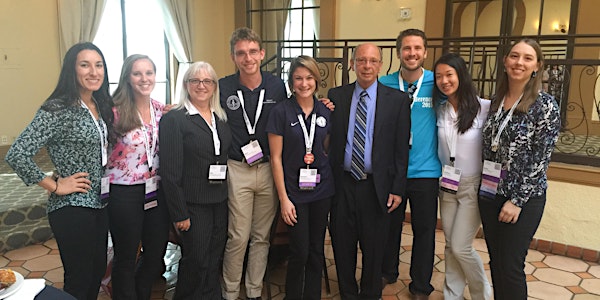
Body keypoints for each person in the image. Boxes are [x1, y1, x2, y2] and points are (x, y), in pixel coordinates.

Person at [5, 42, 113, 300]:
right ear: (71, 70)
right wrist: (55, 185)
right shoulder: (57, 108)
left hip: (100, 203)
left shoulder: (99, 104)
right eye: (84, 65)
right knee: (79, 279)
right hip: (72, 206)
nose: (93, 71)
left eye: (98, 65)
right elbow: (17, 153)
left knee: (97, 271)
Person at [328, 43, 411, 300]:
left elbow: (401, 149)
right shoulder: (336, 96)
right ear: (352, 64)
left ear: (381, 64)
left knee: (375, 249)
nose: (366, 66)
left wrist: (397, 188)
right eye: (361, 60)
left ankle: (369, 294)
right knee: (342, 247)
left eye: (372, 61)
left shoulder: (397, 100)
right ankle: (348, 294)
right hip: (342, 185)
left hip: (376, 187)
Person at [479, 38, 560, 300]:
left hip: (523, 199)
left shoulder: (545, 105)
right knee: (497, 262)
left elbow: (540, 159)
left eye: (527, 58)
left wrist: (516, 200)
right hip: (492, 193)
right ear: (505, 61)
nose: (519, 63)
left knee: (511, 266)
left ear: (537, 66)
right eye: (514, 56)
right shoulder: (496, 101)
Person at [219, 27, 287, 300]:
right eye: (240, 53)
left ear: (261, 53)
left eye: (252, 52)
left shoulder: (277, 86)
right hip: (238, 169)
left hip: (270, 169)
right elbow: (199, 105)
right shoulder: (223, 86)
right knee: (238, 236)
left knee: (261, 236)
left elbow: (294, 112)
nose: (247, 58)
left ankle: (255, 290)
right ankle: (230, 292)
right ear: (233, 57)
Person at [159, 61, 232, 299]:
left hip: (219, 199)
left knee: (213, 257)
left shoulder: (220, 117)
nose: (202, 86)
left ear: (214, 86)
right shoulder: (175, 119)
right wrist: (179, 213)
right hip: (192, 203)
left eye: (207, 81)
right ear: (186, 85)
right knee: (196, 259)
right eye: (195, 81)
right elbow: (169, 172)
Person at [379, 28, 441, 299]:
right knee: (389, 226)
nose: (412, 53)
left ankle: (420, 285)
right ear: (399, 52)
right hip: (394, 171)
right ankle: (387, 272)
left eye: (417, 48)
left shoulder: (437, 83)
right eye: (407, 48)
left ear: (425, 52)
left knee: (424, 232)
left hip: (426, 171)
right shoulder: (384, 84)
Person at [266, 55, 335, 299]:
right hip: (294, 193)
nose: (304, 84)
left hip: (322, 189)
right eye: (298, 78)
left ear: (316, 80)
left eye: (309, 78)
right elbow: (276, 159)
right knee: (300, 251)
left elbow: (325, 147)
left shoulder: (325, 110)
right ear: (291, 82)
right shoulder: (280, 112)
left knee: (317, 250)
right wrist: (284, 199)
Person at [104, 54, 170, 300]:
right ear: (128, 78)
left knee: (155, 253)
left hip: (155, 190)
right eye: (137, 73)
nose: (144, 78)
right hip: (123, 192)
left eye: (149, 73)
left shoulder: (159, 109)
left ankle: (141, 292)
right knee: (126, 256)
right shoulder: (114, 112)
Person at [432, 53, 492, 300]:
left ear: (461, 76)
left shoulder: (484, 108)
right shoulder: (441, 110)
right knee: (449, 245)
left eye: (449, 74)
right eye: (438, 76)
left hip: (472, 185)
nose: (444, 80)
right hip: (447, 184)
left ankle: (482, 294)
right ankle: (452, 295)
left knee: (461, 246)